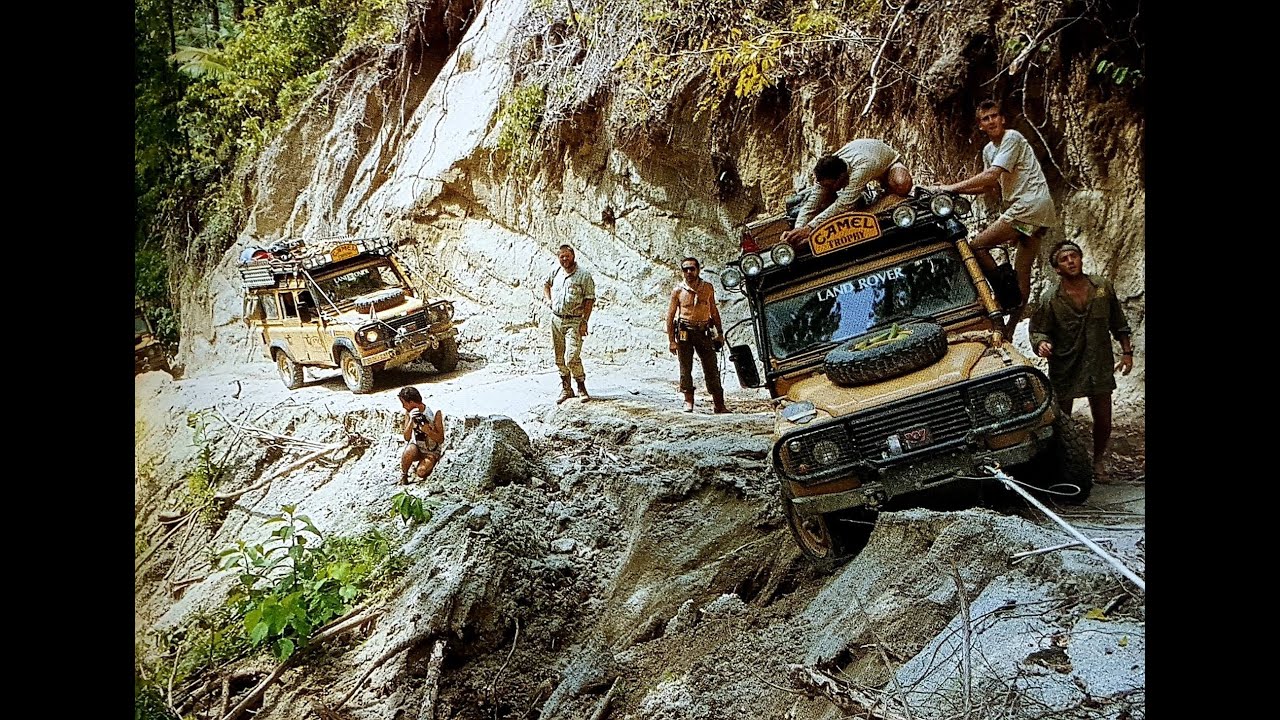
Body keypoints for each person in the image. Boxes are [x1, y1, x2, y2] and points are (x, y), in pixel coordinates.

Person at [927, 99, 1057, 336]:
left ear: (1003, 118)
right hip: (1038, 211)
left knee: (978, 245)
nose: (991, 121)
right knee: (1022, 273)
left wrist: (949, 188)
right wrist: (952, 190)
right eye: (986, 118)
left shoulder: (1012, 138)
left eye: (995, 116)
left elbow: (990, 176)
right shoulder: (989, 150)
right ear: (980, 126)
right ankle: (1009, 329)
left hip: (1028, 206)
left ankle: (1002, 295)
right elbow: (989, 187)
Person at [1029, 241, 1134, 482]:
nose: (1070, 261)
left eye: (1073, 256)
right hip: (1066, 365)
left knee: (1104, 417)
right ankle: (1063, 466)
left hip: (1098, 362)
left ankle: (1098, 462)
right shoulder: (1050, 299)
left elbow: (1119, 323)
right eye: (1064, 259)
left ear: (1081, 258)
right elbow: (1038, 330)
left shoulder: (1102, 288)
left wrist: (1127, 352)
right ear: (1057, 269)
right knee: (1062, 419)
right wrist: (1042, 343)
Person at [780, 139, 914, 246]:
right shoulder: (827, 171)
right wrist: (797, 229)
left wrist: (810, 228)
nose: (829, 189)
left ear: (842, 178)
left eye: (831, 186)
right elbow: (811, 205)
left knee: (901, 184)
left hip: (887, 165)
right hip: (862, 165)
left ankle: (889, 198)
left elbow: (844, 204)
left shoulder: (861, 168)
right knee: (824, 201)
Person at [665, 257, 728, 414]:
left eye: (691, 269)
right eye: (685, 269)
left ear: (698, 270)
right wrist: (671, 341)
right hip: (685, 331)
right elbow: (670, 316)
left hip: (703, 331)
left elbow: (713, 310)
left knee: (711, 367)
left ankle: (719, 404)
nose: (688, 272)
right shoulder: (678, 291)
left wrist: (719, 333)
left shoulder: (707, 288)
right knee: (685, 367)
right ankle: (688, 400)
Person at [543, 244, 596, 404]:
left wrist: (584, 321)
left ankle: (581, 386)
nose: (564, 259)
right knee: (559, 357)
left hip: (574, 320)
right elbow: (546, 284)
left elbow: (589, 299)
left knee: (572, 357)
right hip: (556, 319)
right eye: (561, 256)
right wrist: (549, 300)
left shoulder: (584, 275)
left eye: (567, 256)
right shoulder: (556, 271)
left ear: (573, 256)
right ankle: (566, 388)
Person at [397, 386, 445, 484]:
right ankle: (404, 475)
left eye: (404, 403)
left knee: (421, 472)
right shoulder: (409, 413)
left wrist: (428, 431)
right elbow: (407, 437)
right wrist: (411, 421)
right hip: (418, 448)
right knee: (409, 450)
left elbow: (440, 439)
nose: (403, 406)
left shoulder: (434, 413)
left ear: (411, 403)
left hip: (432, 450)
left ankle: (428, 464)